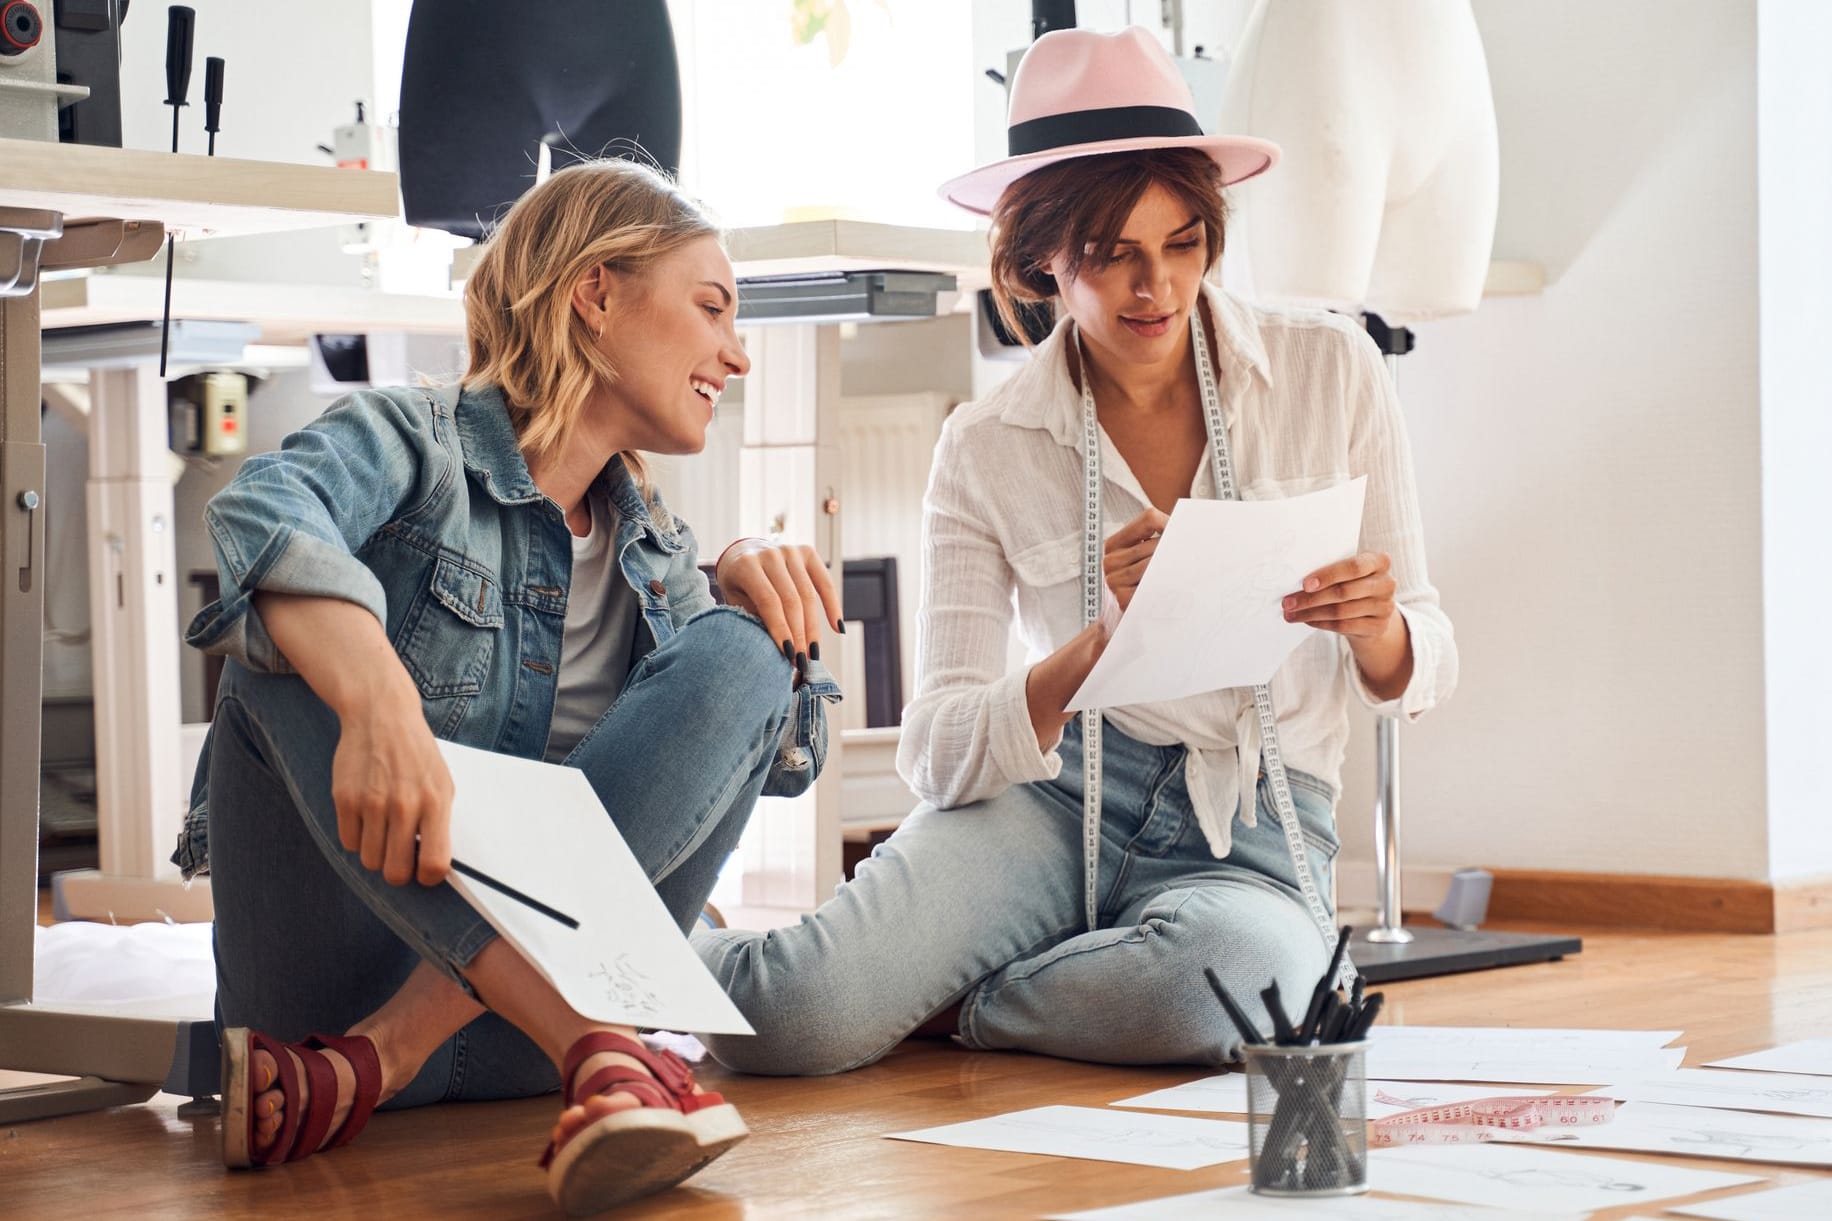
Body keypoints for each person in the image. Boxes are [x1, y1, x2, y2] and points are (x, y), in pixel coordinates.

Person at [694, 27, 1456, 1074]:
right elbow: (934, 749)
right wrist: (1095, 649)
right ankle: (635, 939)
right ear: (1040, 257)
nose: (1156, 288)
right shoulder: (985, 445)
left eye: (1181, 244)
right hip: (1050, 804)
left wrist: (1378, 631)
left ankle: (962, 996)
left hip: (1258, 828)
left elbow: (1424, 657)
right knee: (792, 1025)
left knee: (1233, 993)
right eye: (1111, 255)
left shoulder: (1331, 370)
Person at [176, 158, 843, 1215]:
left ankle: (408, 1054)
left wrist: (740, 575)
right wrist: (377, 702)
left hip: (460, 1060)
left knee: (747, 646)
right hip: (331, 1010)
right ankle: (590, 1046)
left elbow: (778, 762)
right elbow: (264, 515)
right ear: (595, 292)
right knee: (277, 653)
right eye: (711, 307)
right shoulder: (409, 441)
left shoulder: (654, 551)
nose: (738, 353)